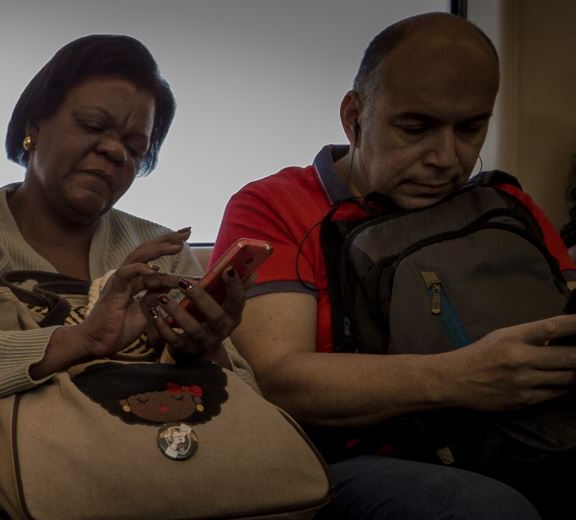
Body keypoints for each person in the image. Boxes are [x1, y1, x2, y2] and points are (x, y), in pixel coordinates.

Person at [0, 35, 249, 520]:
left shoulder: (162, 253)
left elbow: (250, 402)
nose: (114, 151)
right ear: (34, 125)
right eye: (92, 125)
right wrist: (81, 340)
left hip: (160, 489)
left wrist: (206, 352)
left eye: (135, 147)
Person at [214, 12, 565, 519]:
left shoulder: (508, 206)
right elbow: (279, 379)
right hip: (353, 460)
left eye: (471, 129)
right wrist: (462, 377)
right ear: (354, 117)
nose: (445, 157)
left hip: (527, 437)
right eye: (415, 129)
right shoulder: (274, 206)